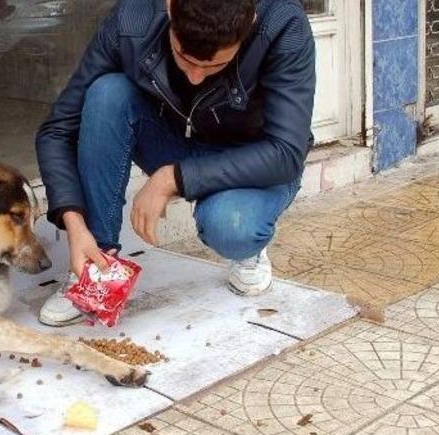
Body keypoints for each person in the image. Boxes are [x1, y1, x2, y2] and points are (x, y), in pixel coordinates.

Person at [35, 0, 315, 327]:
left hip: (253, 159)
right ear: (170, 8)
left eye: (214, 65)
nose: (196, 77)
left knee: (232, 227)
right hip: (179, 140)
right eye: (184, 57)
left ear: (250, 22)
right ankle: (95, 269)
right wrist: (75, 223)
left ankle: (249, 249)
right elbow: (57, 129)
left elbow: (286, 152)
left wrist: (172, 178)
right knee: (107, 94)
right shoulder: (131, 20)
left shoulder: (283, 25)